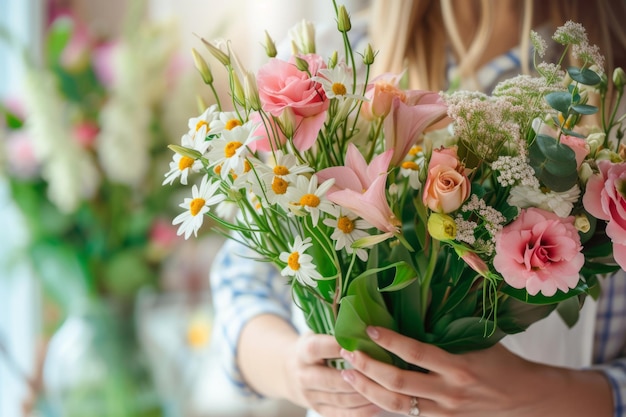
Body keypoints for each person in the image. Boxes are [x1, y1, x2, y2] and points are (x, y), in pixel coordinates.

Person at [209, 1, 626, 416]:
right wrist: (290, 370)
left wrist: (545, 394)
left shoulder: (607, 88)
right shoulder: (340, 61)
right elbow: (245, 277)